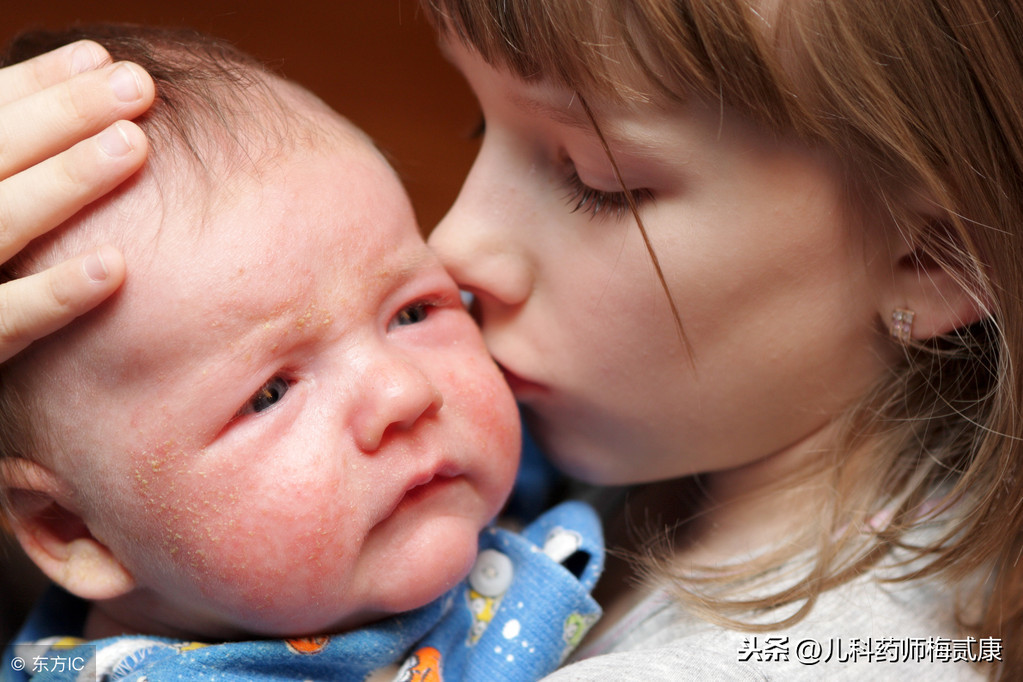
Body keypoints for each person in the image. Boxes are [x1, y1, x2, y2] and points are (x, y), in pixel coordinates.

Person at [5, 0, 1023, 679]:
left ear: (930, 254)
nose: (454, 245)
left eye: (596, 177)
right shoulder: (657, 434)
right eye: (477, 126)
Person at [0, 25, 602, 681]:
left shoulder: (558, 443)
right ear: (73, 529)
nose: (403, 392)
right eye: (269, 394)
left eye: (412, 312)